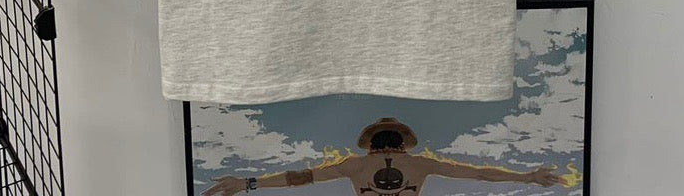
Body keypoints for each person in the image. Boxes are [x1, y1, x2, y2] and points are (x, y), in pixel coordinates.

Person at [202, 118, 565, 195]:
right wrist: (527, 177)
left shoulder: (354, 165)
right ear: (403, 144)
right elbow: (480, 174)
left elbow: (299, 178)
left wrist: (247, 183)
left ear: (371, 144)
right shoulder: (421, 164)